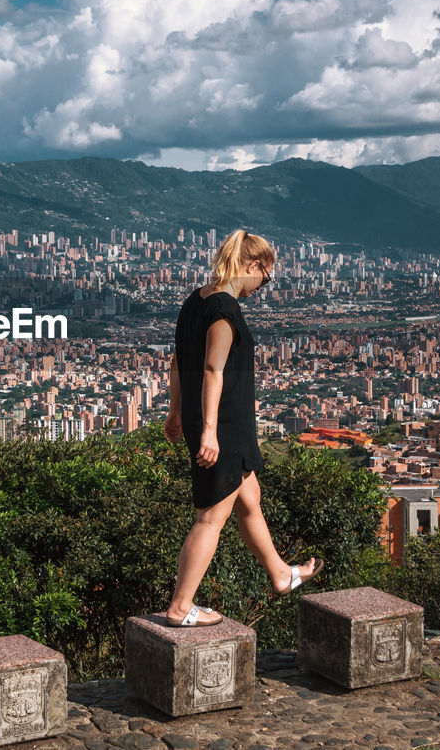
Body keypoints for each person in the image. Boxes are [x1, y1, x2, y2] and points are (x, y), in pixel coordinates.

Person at [161, 229, 322, 627]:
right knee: (211, 517)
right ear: (252, 265)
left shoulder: (194, 301)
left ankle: (281, 574)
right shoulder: (224, 310)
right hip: (223, 424)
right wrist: (210, 431)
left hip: (211, 419)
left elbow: (180, 362)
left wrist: (176, 411)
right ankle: (181, 607)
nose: (263, 286)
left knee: (249, 497)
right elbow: (212, 369)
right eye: (264, 277)